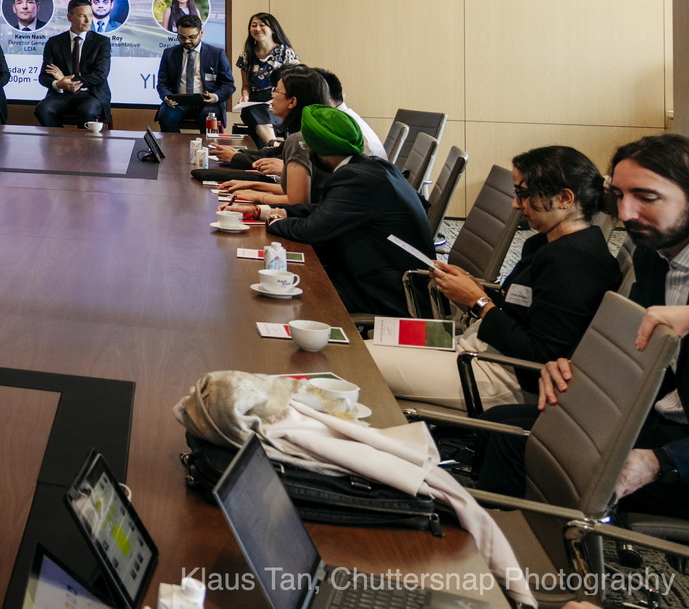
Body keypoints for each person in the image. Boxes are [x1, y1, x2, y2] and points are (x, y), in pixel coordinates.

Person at [371, 146, 618, 408]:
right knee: (374, 337)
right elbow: (519, 308)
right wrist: (473, 288)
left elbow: (540, 355)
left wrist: (478, 301)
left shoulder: (576, 263)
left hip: (501, 373)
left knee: (360, 359)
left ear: (564, 198)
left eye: (524, 194)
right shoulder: (546, 244)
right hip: (476, 342)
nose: (516, 204)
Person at [530, 135, 689, 514]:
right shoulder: (653, 255)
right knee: (520, 435)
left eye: (646, 197)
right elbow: (633, 350)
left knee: (550, 462)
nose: (625, 213)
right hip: (660, 414)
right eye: (618, 196)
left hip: (680, 456)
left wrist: (662, 460)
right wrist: (575, 369)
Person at [233, 106, 432, 317]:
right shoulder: (372, 166)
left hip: (387, 292)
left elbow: (310, 230)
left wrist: (274, 219)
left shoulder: (354, 179)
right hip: (388, 275)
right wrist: (261, 210)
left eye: (309, 147)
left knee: (278, 298)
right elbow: (324, 210)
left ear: (320, 149)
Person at [216, 65, 334, 207]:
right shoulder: (317, 131)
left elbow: (298, 202)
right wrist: (252, 185)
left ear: (292, 101)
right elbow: (295, 190)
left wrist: (259, 196)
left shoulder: (299, 140)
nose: (272, 96)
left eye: (276, 91)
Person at [35, 0, 111, 127]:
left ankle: (82, 142)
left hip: (91, 94)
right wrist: (59, 84)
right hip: (61, 95)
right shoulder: (54, 43)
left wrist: (66, 80)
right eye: (82, 16)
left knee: (87, 111)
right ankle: (59, 139)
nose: (88, 21)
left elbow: (100, 75)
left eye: (90, 15)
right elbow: (44, 77)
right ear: (69, 17)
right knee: (43, 110)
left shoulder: (101, 42)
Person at [154, 16, 234, 132]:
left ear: (201, 33)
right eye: (182, 37)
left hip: (206, 103)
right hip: (178, 102)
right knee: (167, 116)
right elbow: (162, 83)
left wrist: (215, 97)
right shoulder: (169, 54)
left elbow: (228, 85)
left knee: (207, 116)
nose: (187, 41)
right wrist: (167, 97)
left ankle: (207, 145)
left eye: (191, 37)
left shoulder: (216, 54)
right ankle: (174, 144)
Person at [235, 13, 299, 142]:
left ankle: (271, 145)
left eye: (262, 25)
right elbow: (246, 86)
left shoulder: (285, 52)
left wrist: (277, 99)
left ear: (273, 29)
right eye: (254, 25)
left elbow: (296, 84)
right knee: (252, 110)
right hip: (255, 102)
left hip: (279, 100)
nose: (257, 29)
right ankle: (273, 145)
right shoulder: (246, 55)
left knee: (260, 116)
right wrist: (245, 96)